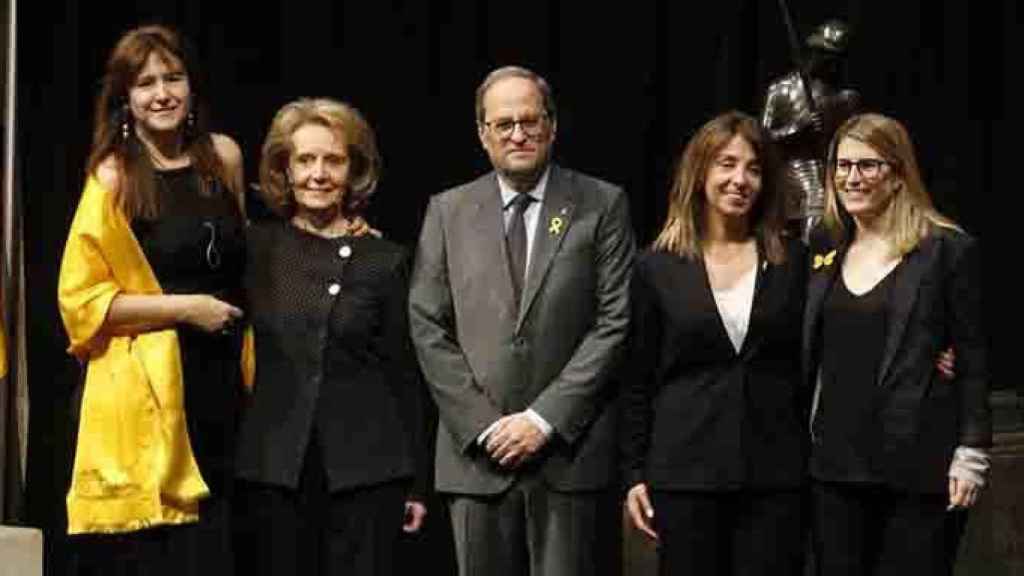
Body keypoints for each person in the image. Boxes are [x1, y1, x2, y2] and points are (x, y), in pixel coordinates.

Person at [408, 65, 634, 576]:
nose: (518, 134)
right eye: (503, 123)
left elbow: (614, 322)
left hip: (566, 457)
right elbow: (427, 324)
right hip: (475, 460)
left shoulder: (602, 204)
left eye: (530, 121)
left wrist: (541, 420)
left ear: (552, 126)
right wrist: (485, 426)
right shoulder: (447, 211)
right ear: (482, 134)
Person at [57, 25, 245, 575]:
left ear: (191, 87)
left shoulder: (223, 158)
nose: (161, 93)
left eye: (173, 78)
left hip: (223, 387)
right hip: (146, 396)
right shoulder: (113, 177)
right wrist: (188, 309)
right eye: (145, 83)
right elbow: (83, 303)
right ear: (125, 99)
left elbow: (247, 256)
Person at [234, 98, 428, 576]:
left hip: (368, 471)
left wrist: (418, 482)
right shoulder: (257, 248)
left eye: (333, 160)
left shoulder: (386, 258)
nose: (318, 174)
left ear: (354, 169)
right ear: (284, 168)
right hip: (273, 468)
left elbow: (405, 373)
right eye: (304, 160)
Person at [622, 111, 807, 575]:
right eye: (726, 164)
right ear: (700, 171)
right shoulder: (656, 267)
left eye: (754, 168)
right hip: (684, 473)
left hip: (775, 472)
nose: (739, 179)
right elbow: (637, 378)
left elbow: (834, 344)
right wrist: (634, 474)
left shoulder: (792, 262)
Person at [805, 113, 990, 575]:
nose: (852, 178)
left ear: (898, 172)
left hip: (918, 467)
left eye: (868, 165)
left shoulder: (945, 250)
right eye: (842, 166)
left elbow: (973, 359)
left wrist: (971, 453)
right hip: (833, 468)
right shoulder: (824, 246)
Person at [762, 19, 860, 241]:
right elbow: (761, 139)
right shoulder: (782, 90)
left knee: (816, 239)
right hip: (785, 177)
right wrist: (797, 129)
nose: (825, 61)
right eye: (821, 53)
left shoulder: (846, 99)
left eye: (832, 57)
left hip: (825, 177)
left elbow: (854, 145)